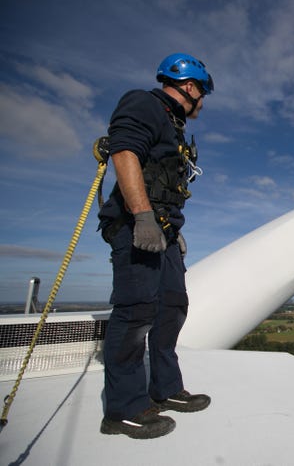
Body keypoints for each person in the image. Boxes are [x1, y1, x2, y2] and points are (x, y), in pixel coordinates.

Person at [97, 53, 214, 439]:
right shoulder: (143, 103)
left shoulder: (173, 126)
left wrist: (169, 229)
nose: (203, 103)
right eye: (203, 94)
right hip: (136, 227)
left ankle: (164, 389)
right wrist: (144, 217)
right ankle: (123, 409)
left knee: (172, 308)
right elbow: (125, 152)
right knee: (136, 313)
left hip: (163, 233)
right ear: (191, 88)